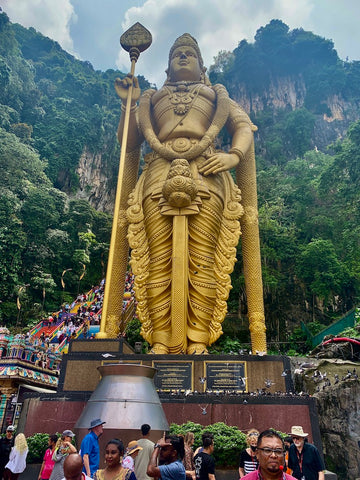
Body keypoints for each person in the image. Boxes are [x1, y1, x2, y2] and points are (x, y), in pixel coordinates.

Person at [114, 32, 266, 354]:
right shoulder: (152, 100)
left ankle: (197, 340)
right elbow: (128, 141)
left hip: (206, 172)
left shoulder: (215, 96)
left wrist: (233, 156)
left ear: (202, 66)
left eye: (190, 53)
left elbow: (242, 127)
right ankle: (159, 339)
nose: (183, 57)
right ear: (168, 68)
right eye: (177, 54)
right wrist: (129, 104)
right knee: (158, 260)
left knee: (202, 258)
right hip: (157, 174)